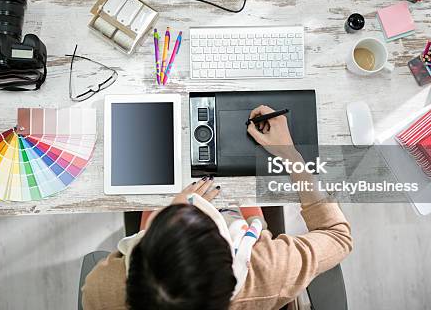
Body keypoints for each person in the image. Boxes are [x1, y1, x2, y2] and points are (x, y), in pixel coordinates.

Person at [82, 105, 353, 310]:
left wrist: (169, 207)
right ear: (231, 251)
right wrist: (292, 156)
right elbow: (338, 236)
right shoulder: (269, 272)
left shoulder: (102, 292)